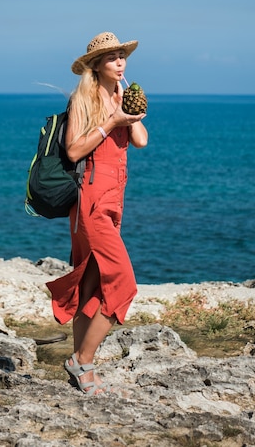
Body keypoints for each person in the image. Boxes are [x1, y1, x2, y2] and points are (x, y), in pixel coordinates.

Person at [46, 32, 148, 395]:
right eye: (112, 57)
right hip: (89, 199)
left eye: (122, 55)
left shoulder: (121, 95)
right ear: (96, 65)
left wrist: (128, 111)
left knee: (90, 282)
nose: (120, 62)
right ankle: (83, 360)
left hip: (115, 198)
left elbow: (141, 140)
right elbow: (74, 151)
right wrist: (110, 121)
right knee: (123, 283)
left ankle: (81, 373)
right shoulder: (83, 98)